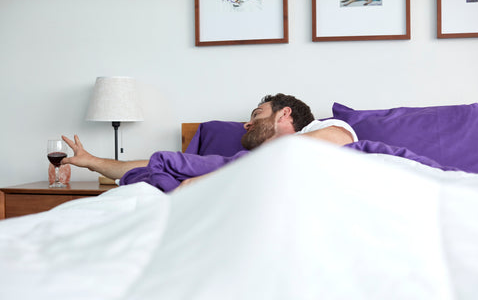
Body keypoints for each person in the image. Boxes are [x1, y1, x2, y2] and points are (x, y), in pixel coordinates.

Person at [61, 93, 357, 186]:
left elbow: (337, 141)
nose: (247, 123)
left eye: (257, 114)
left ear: (285, 114)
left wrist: (205, 183)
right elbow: (163, 166)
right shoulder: (232, 162)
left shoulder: (325, 128)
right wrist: (93, 162)